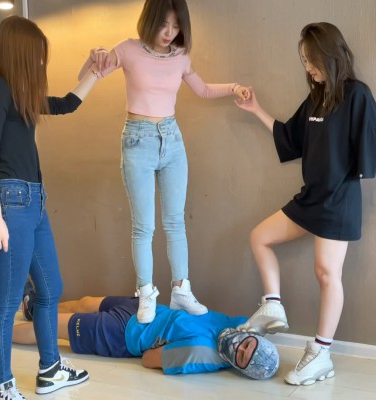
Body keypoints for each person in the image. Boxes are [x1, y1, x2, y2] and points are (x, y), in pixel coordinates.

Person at [78, 0, 250, 324]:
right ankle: (146, 293)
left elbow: (203, 89)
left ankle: (181, 290)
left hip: (172, 140)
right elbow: (88, 76)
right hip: (138, 140)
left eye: (176, 25)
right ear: (150, 21)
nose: (170, 32)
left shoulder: (181, 57)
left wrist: (235, 88)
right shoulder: (127, 50)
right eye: (163, 25)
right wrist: (92, 57)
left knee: (175, 222)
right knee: (144, 226)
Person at [234, 22, 376, 386]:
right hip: (311, 197)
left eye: (312, 60)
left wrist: (346, 178)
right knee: (259, 237)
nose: (309, 68)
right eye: (304, 60)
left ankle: (321, 353)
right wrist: (255, 109)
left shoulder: (357, 94)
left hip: (339, 200)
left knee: (326, 273)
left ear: (331, 55)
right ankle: (272, 304)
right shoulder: (316, 97)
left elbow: (372, 146)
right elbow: (291, 137)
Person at [0, 15, 103, 400]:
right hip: (10, 203)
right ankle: (2, 387)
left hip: (34, 201)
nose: (42, 62)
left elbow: (66, 104)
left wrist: (95, 73)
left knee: (49, 289)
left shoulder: (20, 95)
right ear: (21, 51)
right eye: (38, 55)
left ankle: (50, 370)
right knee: (7, 302)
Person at [0, 295, 279, 380]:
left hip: (121, 335)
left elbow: (150, 360)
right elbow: (264, 320)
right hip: (143, 308)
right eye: (248, 345)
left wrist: (161, 344)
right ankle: (32, 309)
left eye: (241, 358)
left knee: (52, 328)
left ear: (237, 367)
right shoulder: (238, 325)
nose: (238, 348)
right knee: (85, 301)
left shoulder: (201, 355)